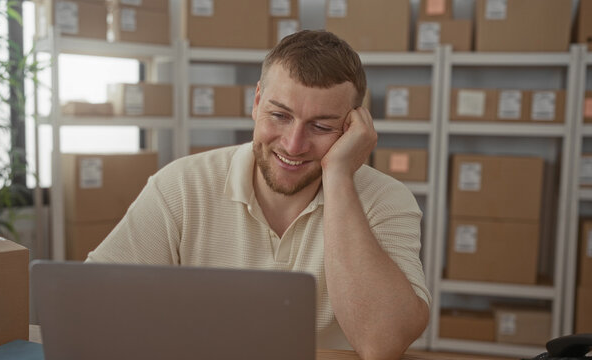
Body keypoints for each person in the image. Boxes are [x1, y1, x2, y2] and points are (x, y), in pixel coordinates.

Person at [86, 30, 430, 360]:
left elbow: (383, 343)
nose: (294, 144)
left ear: (353, 128)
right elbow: (91, 302)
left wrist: (339, 176)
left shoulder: (386, 200)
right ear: (256, 102)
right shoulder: (180, 186)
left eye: (322, 126)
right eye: (279, 115)